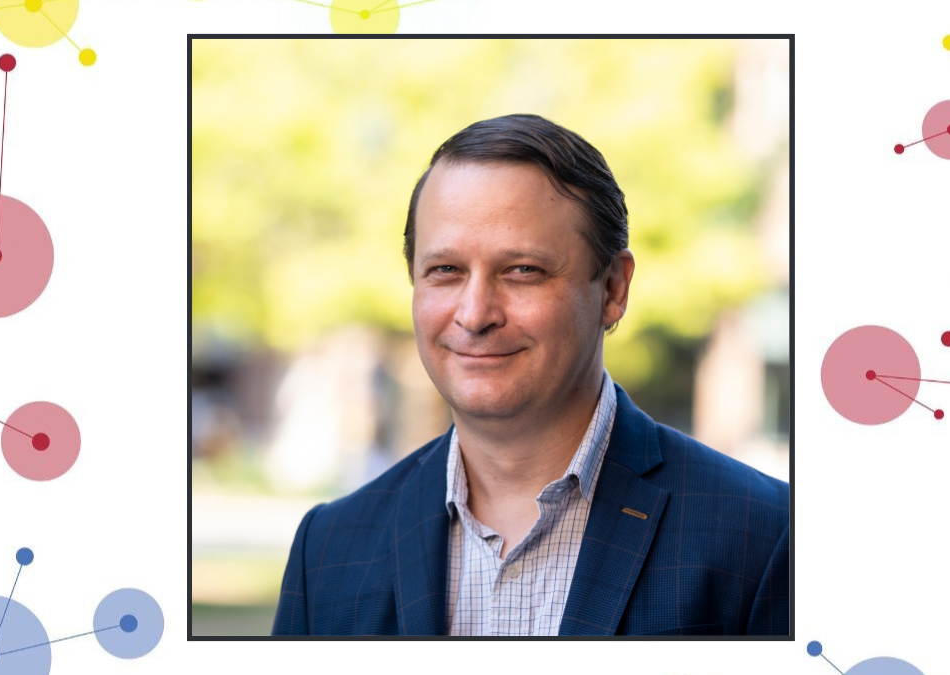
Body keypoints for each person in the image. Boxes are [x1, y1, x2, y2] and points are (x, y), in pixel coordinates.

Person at [272, 113, 788, 636]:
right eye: (445, 271)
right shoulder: (328, 551)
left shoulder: (764, 537)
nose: (475, 314)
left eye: (523, 270)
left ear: (612, 289)